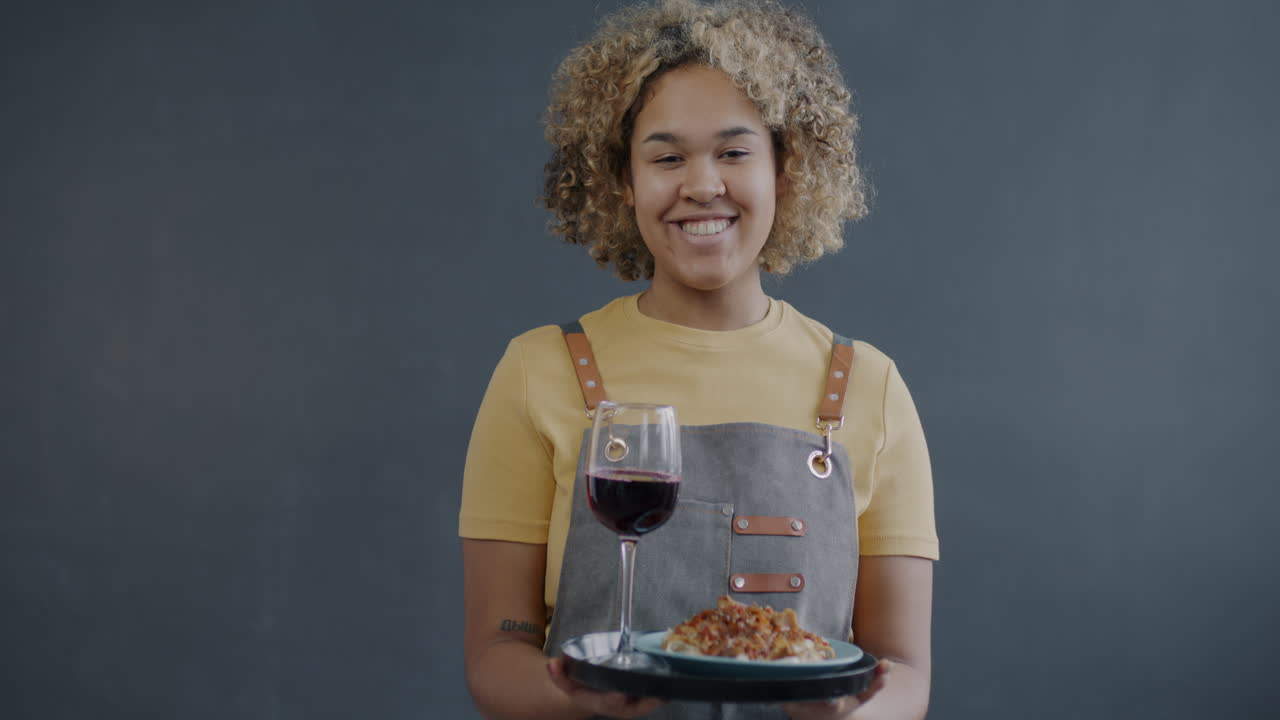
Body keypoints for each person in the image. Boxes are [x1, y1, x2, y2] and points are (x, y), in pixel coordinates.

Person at [459, 1, 938, 718]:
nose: (703, 185)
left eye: (735, 152)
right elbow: (495, 657)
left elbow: (905, 672)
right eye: (667, 157)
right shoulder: (539, 370)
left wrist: (849, 711)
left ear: (786, 168)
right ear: (623, 180)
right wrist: (581, 699)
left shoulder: (869, 385)